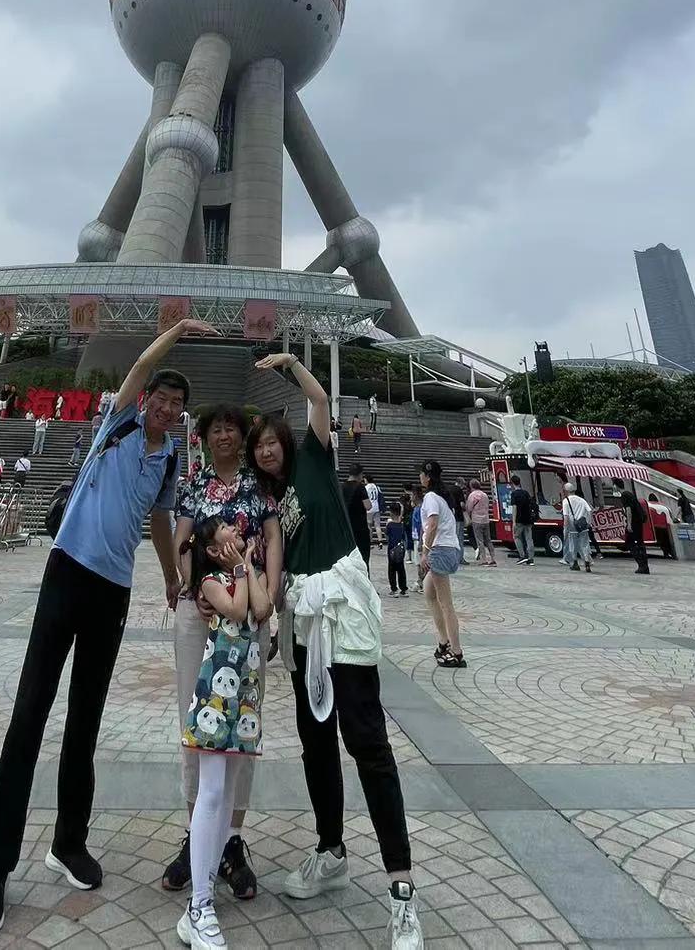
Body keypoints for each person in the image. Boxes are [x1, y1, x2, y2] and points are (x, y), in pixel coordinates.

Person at [0, 317, 211, 939]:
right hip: (66, 574)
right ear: (146, 399)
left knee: (86, 720)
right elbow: (134, 370)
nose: (166, 409)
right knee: (29, 717)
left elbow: (159, 522)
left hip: (112, 592)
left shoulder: (171, 457)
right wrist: (179, 328)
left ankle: (68, 842)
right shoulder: (121, 422)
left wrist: (168, 576)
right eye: (161, 398)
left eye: (177, 405)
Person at [247, 352, 425, 950]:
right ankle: (330, 852)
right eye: (259, 446)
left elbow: (321, 403)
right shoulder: (270, 506)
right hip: (302, 624)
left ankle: (401, 893)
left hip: (343, 614)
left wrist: (294, 365)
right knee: (315, 743)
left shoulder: (316, 461)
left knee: (368, 744)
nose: (267, 450)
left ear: (288, 443)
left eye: (273, 441)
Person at [164, 403, 281, 904]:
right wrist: (182, 577)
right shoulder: (193, 483)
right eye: (216, 429)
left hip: (248, 613)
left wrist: (270, 595)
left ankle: (231, 838)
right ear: (204, 438)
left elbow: (273, 537)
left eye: (231, 428)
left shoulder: (259, 486)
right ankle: (197, 830)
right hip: (202, 614)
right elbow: (181, 536)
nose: (224, 436)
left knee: (244, 725)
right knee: (196, 723)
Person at [177, 517, 272, 950]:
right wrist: (240, 568)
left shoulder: (240, 571)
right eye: (228, 535)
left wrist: (249, 565)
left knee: (229, 791)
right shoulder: (211, 582)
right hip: (217, 695)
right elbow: (236, 609)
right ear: (214, 551)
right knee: (212, 791)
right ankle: (197, 905)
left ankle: (207, 887)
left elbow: (263, 607)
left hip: (244, 698)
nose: (238, 532)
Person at [420, 461, 465, 667]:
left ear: (427, 477)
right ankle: (443, 641)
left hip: (440, 550)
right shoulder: (442, 496)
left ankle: (456, 652)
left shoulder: (430, 497)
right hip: (448, 549)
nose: (420, 477)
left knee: (446, 604)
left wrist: (425, 552)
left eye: (421, 474)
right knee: (429, 593)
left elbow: (433, 525)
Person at [343, 465, 373, 568]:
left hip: (346, 528)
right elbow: (368, 506)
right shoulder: (360, 487)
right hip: (360, 528)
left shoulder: (341, 486)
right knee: (363, 558)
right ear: (360, 474)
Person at [616, 484, 650, 574]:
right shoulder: (630, 494)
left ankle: (641, 564)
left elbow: (628, 510)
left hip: (634, 522)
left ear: (616, 486)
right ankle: (644, 565)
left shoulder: (624, 496)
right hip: (638, 521)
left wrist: (629, 524)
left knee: (631, 543)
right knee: (639, 542)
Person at [560, 482, 593, 572]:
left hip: (572, 527)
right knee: (585, 545)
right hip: (583, 526)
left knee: (572, 545)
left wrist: (565, 529)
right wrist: (589, 522)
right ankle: (586, 562)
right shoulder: (582, 500)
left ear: (566, 491)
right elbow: (590, 511)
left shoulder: (566, 501)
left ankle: (575, 563)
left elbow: (566, 517)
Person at [465, 480, 495, 567]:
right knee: (488, 540)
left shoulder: (472, 495)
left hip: (476, 520)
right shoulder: (485, 495)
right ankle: (493, 559)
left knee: (480, 540)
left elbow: (469, 508)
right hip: (486, 519)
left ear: (471, 486)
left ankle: (484, 559)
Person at [509, 476, 536, 565]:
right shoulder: (526, 493)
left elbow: (514, 508)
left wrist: (513, 521)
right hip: (528, 519)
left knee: (516, 537)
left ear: (512, 483)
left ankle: (522, 555)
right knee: (529, 539)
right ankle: (531, 558)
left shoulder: (514, 494)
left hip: (519, 519)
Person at [385, 502, 409, 597]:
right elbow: (404, 538)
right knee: (401, 569)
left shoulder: (389, 525)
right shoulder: (402, 525)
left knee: (391, 569)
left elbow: (387, 536)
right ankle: (404, 589)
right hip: (401, 550)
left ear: (391, 512)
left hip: (391, 549)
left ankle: (394, 589)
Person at [647, 492, 675, 559]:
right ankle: (670, 553)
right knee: (666, 541)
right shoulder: (664, 506)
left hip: (656, 527)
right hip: (666, 527)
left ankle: (665, 553)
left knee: (662, 542)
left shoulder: (649, 506)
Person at [410, 487, 426, 589]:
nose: (411, 498)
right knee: (418, 562)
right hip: (415, 536)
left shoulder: (420, 509)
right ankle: (420, 581)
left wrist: (421, 541)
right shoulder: (417, 508)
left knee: (420, 562)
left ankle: (422, 582)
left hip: (420, 538)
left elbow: (422, 526)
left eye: (412, 495)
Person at [365, 476, 384, 546]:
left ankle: (371, 542)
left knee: (369, 526)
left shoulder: (366, 487)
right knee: (377, 525)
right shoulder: (377, 487)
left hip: (369, 508)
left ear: (366, 479)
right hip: (376, 507)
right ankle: (380, 541)